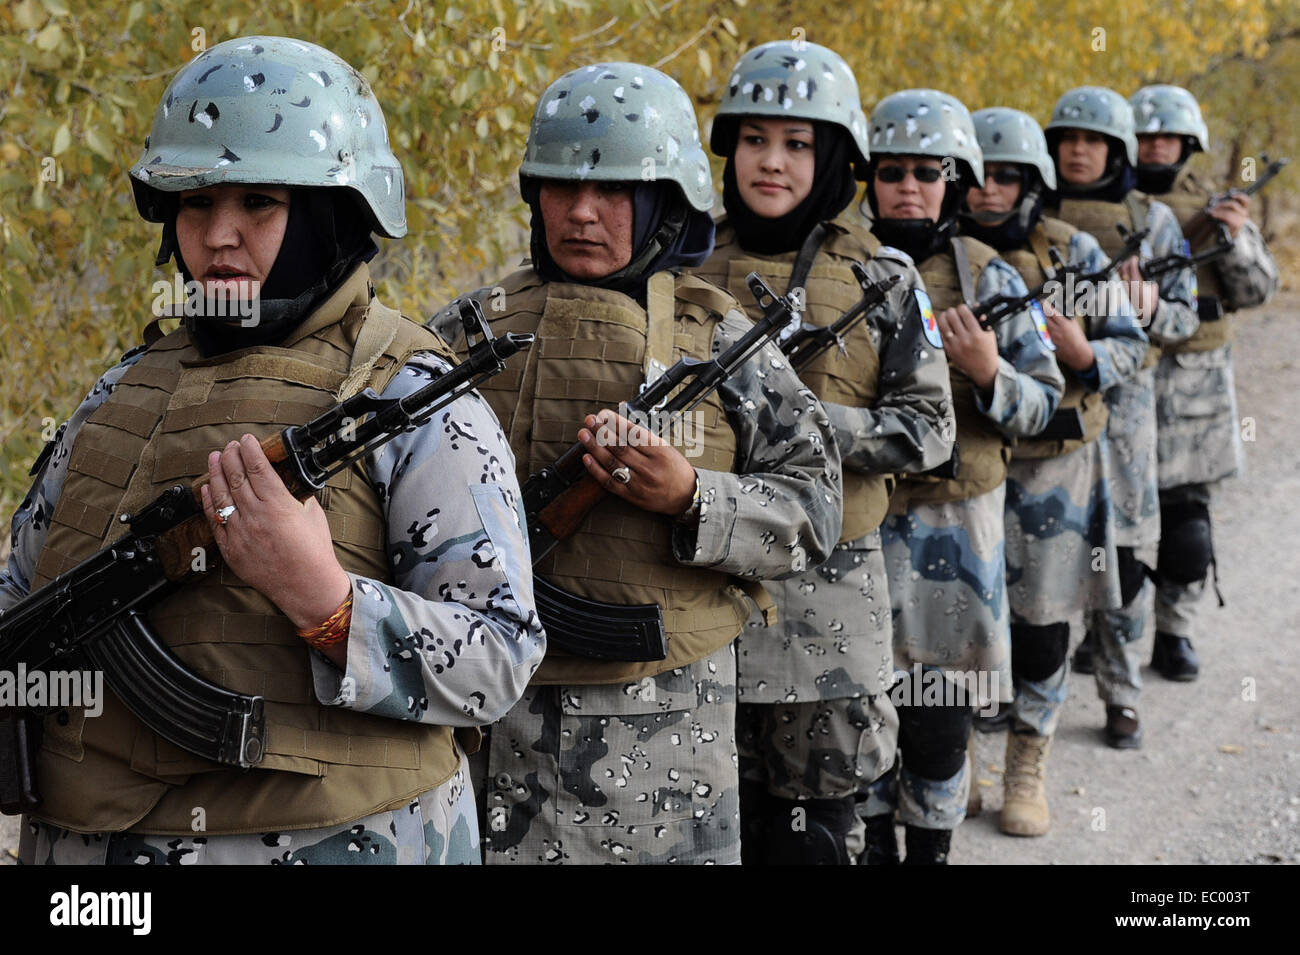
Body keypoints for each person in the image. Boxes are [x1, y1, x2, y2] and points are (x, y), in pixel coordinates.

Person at [2, 36, 544, 865]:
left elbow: (500, 660)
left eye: (259, 202)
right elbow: (19, 593)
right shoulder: (119, 392)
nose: (219, 236)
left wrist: (328, 602)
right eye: (194, 203)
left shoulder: (408, 394)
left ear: (329, 216)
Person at [430, 62, 842, 865]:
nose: (581, 213)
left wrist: (693, 498)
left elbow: (816, 508)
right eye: (559, 186)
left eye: (615, 190)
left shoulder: (721, 343)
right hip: (477, 734)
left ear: (665, 200)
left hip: (662, 753)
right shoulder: (468, 334)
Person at [690, 41, 954, 865]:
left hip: (829, 606)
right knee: (709, 817)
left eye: (798, 143)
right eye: (756, 139)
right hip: (700, 592)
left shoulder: (883, 276)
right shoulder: (685, 265)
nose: (772, 162)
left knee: (817, 835)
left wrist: (794, 423)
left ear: (834, 155)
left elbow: (929, 428)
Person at [856, 89, 1064, 863]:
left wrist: (988, 371)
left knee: (939, 723)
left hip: (955, 531)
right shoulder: (842, 270)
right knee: (862, 711)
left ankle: (933, 848)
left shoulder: (994, 280)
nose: (908, 185)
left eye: (928, 171)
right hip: (859, 524)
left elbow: (1044, 405)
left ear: (956, 179)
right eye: (892, 170)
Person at [964, 107, 1147, 834]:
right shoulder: (940, 259)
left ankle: (1026, 759)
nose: (987, 190)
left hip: (1056, 470)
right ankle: (965, 757)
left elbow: (1131, 345)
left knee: (1042, 624)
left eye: (1006, 176)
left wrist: (1085, 357)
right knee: (967, 624)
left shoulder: (1072, 255)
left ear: (1031, 183)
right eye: (974, 174)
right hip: (967, 469)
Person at [1043, 86, 1198, 752]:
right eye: (1069, 139)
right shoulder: (1034, 213)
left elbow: (1187, 318)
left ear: (1117, 149)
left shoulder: (1152, 219)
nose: (1079, 151)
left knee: (1127, 560)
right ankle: (1029, 701)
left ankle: (1122, 694)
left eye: (1094, 140)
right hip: (1050, 413)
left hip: (1127, 417)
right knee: (1044, 557)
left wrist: (1152, 305)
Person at [1126, 84, 1279, 680]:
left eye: (1168, 136)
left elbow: (1257, 292)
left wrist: (1233, 239)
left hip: (1198, 389)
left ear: (1188, 143)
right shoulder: (1105, 207)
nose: (1156, 146)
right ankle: (1113, 633)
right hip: (1123, 381)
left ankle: (1175, 632)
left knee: (1186, 529)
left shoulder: (1220, 208)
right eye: (1145, 135)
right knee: (1114, 529)